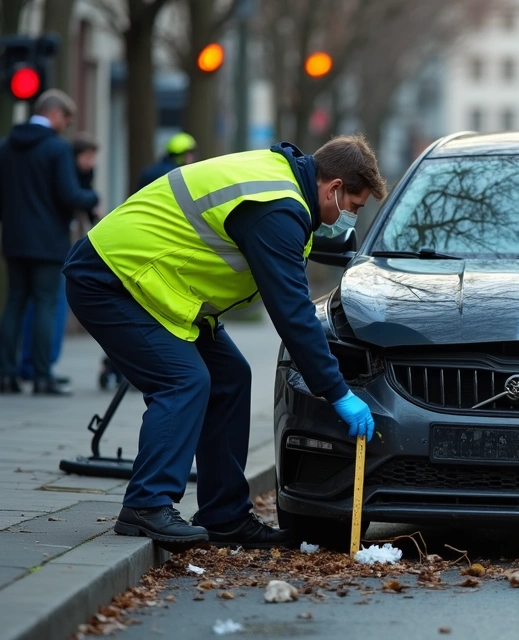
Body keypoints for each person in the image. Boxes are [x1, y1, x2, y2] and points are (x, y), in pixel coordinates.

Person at [62, 134, 385, 548]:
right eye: (353, 207)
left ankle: (225, 516)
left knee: (230, 375)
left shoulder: (284, 188)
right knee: (185, 380)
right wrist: (336, 391)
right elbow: (292, 313)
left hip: (151, 285)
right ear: (334, 188)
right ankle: (146, 505)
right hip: (110, 279)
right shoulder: (278, 207)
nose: (350, 218)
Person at [0, 90, 100, 396]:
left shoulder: (5, 146)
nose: (65, 127)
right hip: (47, 240)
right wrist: (92, 198)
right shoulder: (56, 149)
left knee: (15, 302)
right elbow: (69, 195)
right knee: (45, 303)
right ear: (55, 114)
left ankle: (6, 374)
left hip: (14, 237)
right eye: (65, 120)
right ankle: (42, 376)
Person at [18, 135, 101, 387]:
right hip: (50, 245)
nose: (90, 163)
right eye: (87, 158)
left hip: (20, 241)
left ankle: (20, 367)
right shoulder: (62, 168)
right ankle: (40, 368)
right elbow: (76, 199)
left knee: (22, 303)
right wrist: (93, 198)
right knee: (49, 303)